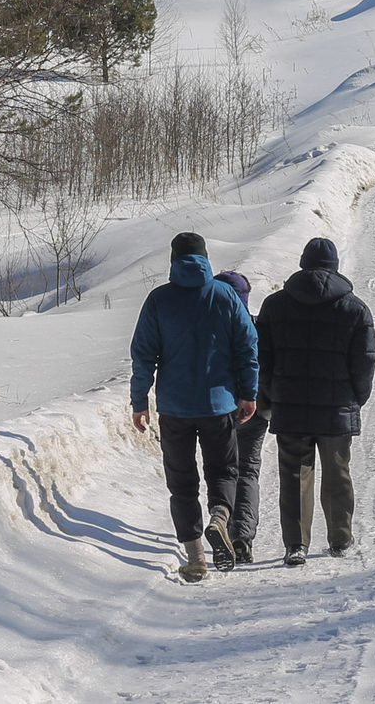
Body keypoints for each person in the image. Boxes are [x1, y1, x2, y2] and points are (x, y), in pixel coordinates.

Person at [131, 232, 259, 582]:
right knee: (224, 472)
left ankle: (196, 558)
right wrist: (249, 394)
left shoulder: (159, 300)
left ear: (173, 261)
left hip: (174, 409)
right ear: (205, 258)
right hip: (219, 405)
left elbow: (143, 355)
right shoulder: (226, 296)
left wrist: (139, 401)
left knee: (182, 483)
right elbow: (247, 348)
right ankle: (220, 516)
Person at [255, 237, 375, 567]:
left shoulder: (274, 305)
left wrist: (271, 395)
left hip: (290, 407)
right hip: (337, 408)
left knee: (295, 475)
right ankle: (340, 537)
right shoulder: (355, 308)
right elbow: (364, 362)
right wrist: (355, 400)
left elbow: (262, 360)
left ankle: (296, 544)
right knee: (337, 473)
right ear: (335, 266)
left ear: (302, 262)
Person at [214, 269, 267, 565]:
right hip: (253, 410)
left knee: (221, 470)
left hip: (215, 409)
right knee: (247, 471)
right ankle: (242, 537)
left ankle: (220, 521)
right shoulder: (256, 325)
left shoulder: (207, 328)